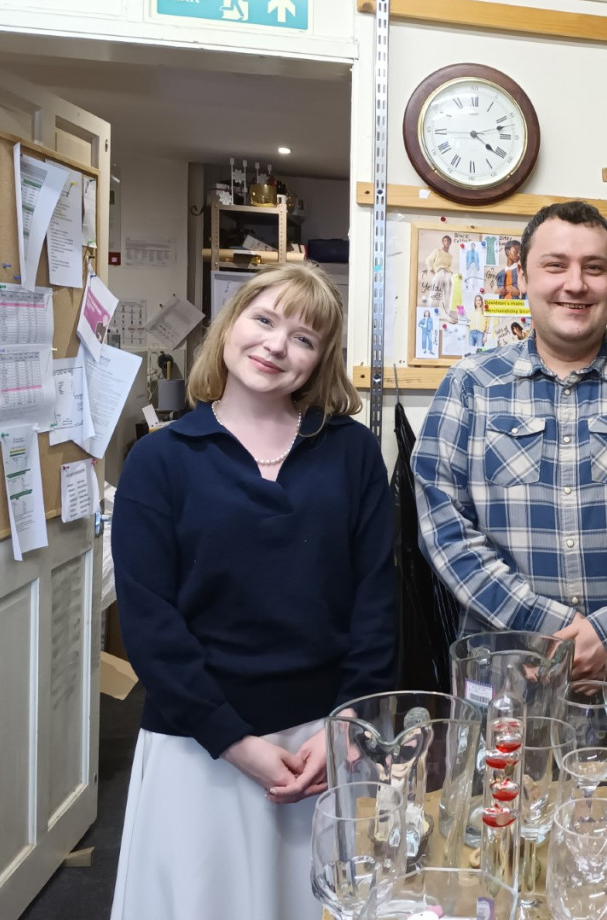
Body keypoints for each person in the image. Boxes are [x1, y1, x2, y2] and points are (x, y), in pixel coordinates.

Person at [110, 262, 397, 920]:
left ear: (321, 360)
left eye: (304, 337)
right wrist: (236, 744)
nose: (276, 345)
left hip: (324, 744)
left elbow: (376, 602)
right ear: (229, 326)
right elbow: (151, 627)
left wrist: (347, 728)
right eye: (264, 320)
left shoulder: (350, 452)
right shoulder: (161, 460)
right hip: (200, 745)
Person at [414, 200, 607, 680]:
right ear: (525, 276)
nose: (575, 284)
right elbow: (445, 529)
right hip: (507, 680)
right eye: (555, 265)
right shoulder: (470, 385)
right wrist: (546, 629)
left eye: (594, 268)